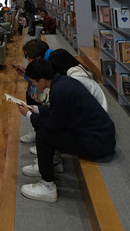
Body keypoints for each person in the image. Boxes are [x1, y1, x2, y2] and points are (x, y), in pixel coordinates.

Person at [16, 59, 116, 202]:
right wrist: (36, 109)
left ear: (42, 81)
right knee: (49, 128)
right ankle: (53, 163)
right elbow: (58, 113)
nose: (34, 85)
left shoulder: (59, 91)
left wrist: (28, 115)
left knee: (44, 134)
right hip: (101, 136)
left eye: (34, 82)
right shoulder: (63, 82)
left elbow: (52, 125)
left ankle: (47, 186)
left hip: (97, 143)